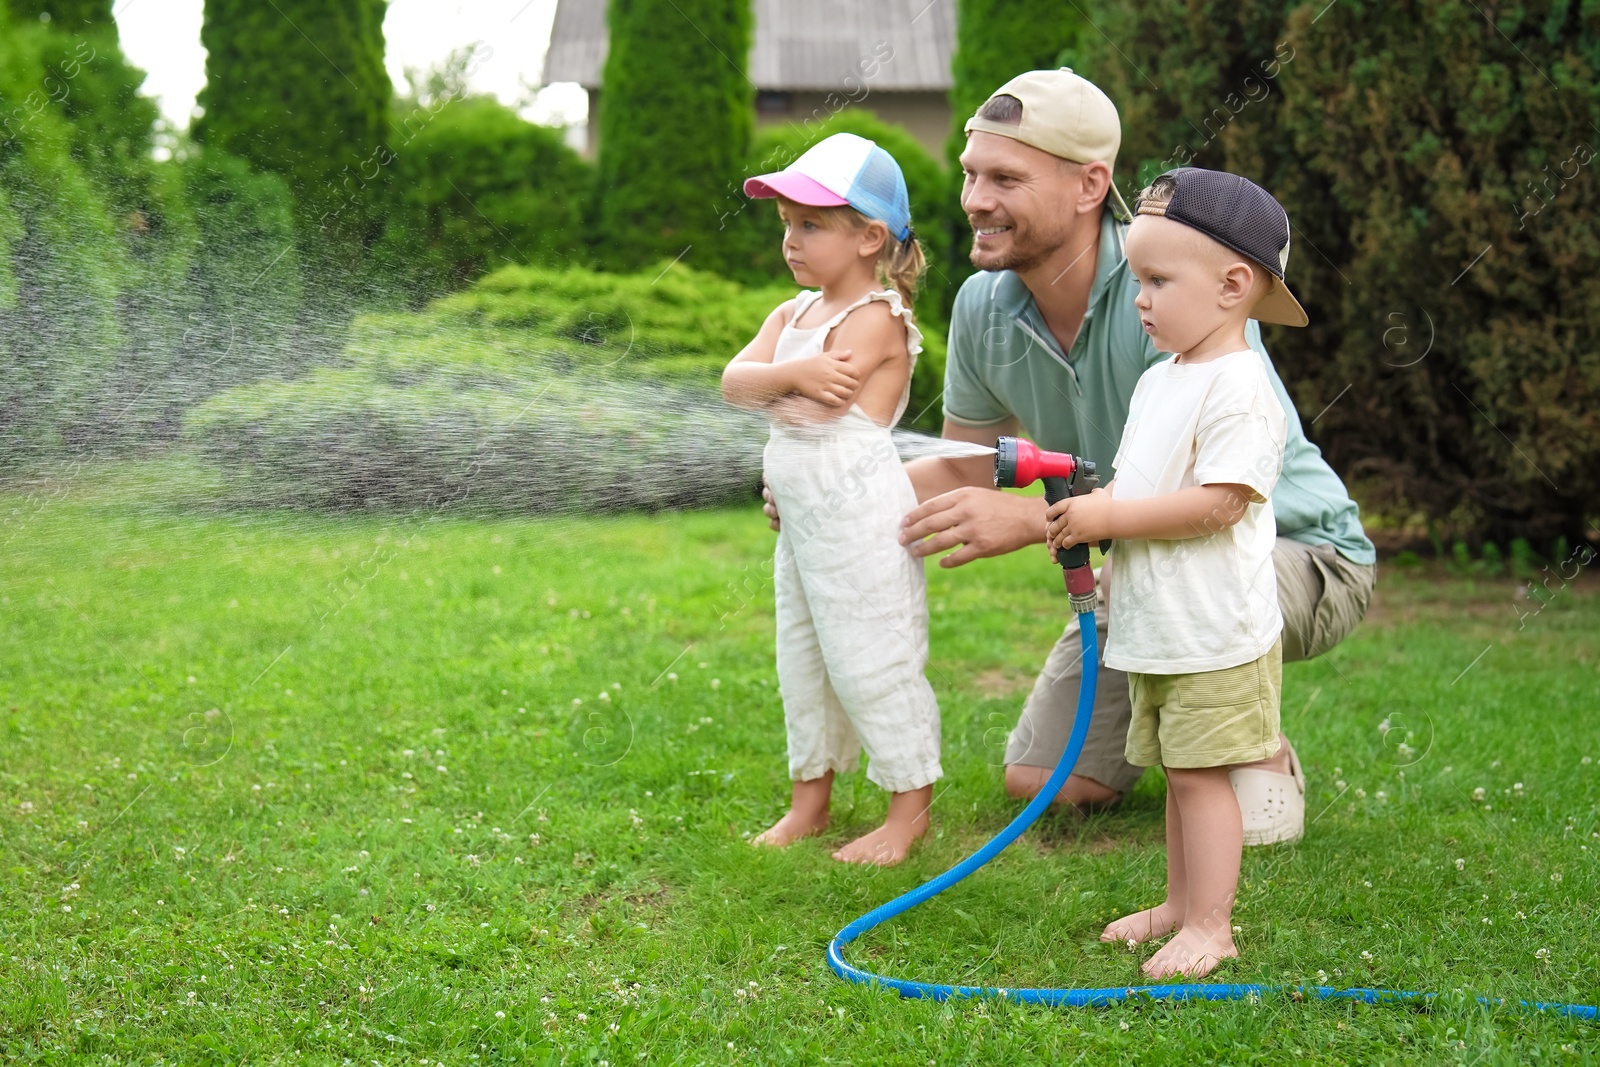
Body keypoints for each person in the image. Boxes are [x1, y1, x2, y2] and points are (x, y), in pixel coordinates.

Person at [847, 67, 1376, 844]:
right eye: (969, 174)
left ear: (1090, 183)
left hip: (1292, 552)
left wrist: (1036, 521)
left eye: (1004, 178)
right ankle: (1192, 728)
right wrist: (840, 491)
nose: (973, 199)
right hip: (1145, 562)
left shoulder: (1179, 281)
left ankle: (1249, 743)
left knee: (1172, 595)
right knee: (1046, 782)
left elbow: (1212, 499)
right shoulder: (981, 306)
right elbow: (964, 463)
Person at [1047, 167, 1297, 978]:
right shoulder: (1163, 379)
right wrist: (1087, 512)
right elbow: (1138, 485)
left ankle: (1212, 926)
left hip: (1214, 631)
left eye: (1158, 279)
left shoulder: (1241, 387)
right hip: (1162, 628)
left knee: (1200, 779)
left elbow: (1218, 503)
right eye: (1136, 279)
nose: (1140, 298)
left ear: (1233, 285)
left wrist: (1108, 518)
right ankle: (1181, 905)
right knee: (1179, 774)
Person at [722, 132, 939, 866]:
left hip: (859, 520)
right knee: (804, 657)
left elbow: (810, 412)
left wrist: (778, 384)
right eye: (786, 223)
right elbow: (731, 382)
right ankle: (808, 803)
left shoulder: (877, 317)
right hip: (802, 521)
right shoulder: (794, 315)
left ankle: (909, 808)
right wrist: (790, 381)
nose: (791, 239)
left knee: (870, 656)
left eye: (810, 224)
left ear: (869, 237)